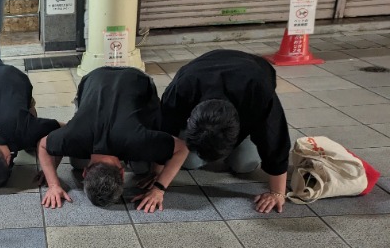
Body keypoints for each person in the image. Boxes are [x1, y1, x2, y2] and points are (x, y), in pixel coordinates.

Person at [38, 66, 189, 211]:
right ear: (85, 172)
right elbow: (43, 146)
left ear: (123, 173)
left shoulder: (139, 141)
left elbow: (182, 148)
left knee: (142, 168)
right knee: (77, 162)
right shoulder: (72, 139)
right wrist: (53, 185)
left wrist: (159, 187)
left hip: (128, 77)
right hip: (98, 77)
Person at [160, 49, 291, 213]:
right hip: (203, 72)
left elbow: (276, 140)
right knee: (191, 162)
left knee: (244, 164)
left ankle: (235, 149)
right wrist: (157, 180)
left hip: (249, 75)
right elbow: (166, 131)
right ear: (190, 120)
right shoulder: (183, 86)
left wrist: (277, 193)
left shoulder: (258, 92)